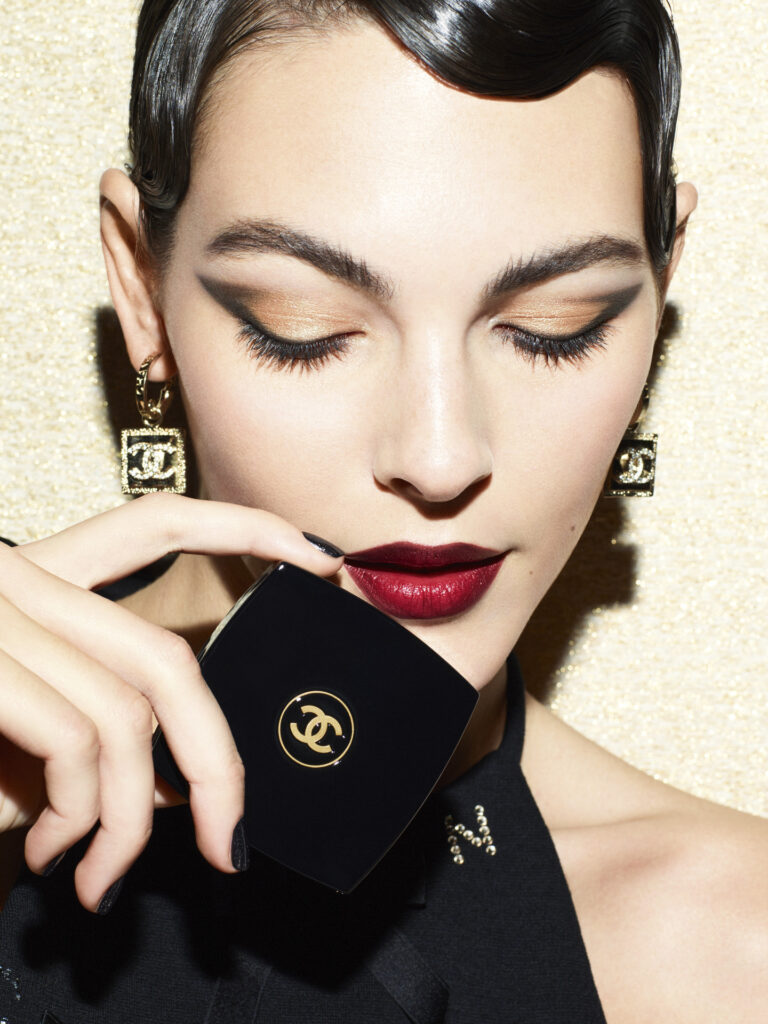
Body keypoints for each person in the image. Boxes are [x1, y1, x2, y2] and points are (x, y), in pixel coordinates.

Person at [0, 0, 765, 1020]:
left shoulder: (734, 952)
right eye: (304, 328)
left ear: (659, 292)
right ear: (142, 286)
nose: (439, 460)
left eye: (555, 327)